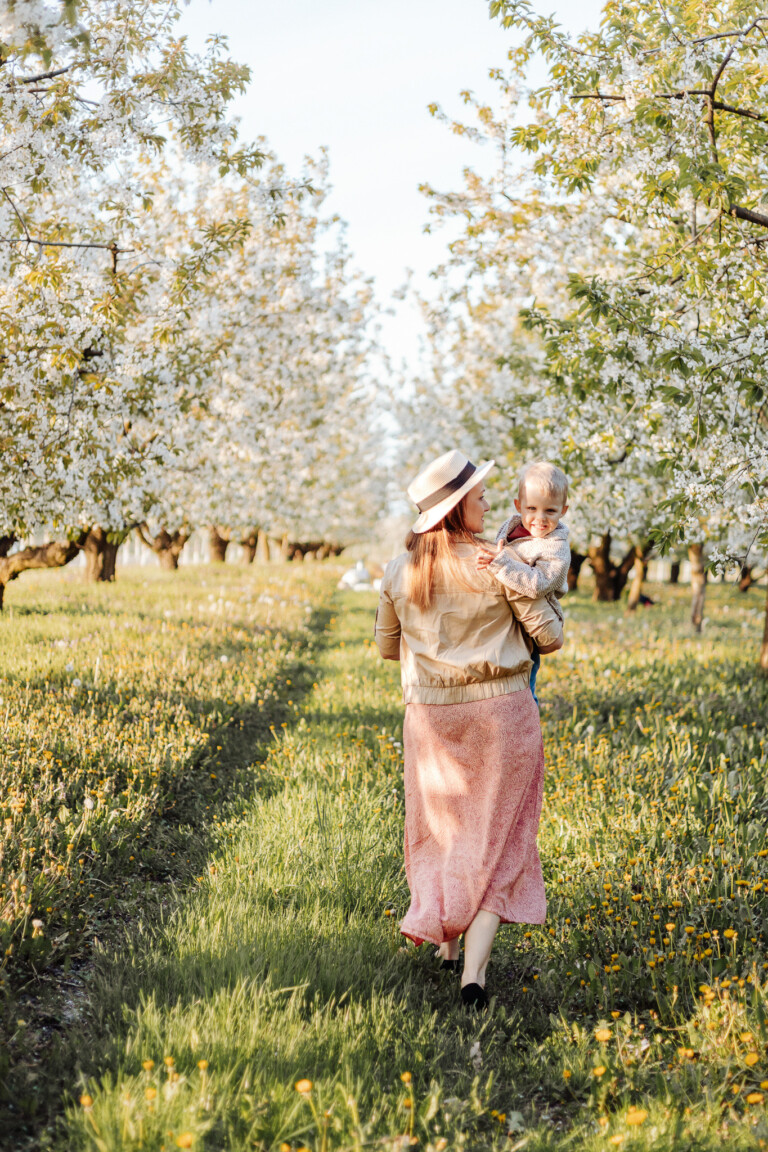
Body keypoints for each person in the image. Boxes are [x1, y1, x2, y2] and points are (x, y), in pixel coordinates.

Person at [374, 449, 564, 1009]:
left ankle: (446, 943)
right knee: (501, 837)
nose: (489, 503)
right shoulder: (497, 561)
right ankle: (472, 974)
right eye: (480, 497)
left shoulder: (399, 568)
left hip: (431, 717)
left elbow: (388, 646)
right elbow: (548, 637)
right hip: (502, 713)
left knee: (443, 827)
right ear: (458, 509)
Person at [476, 461, 570, 705]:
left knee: (524, 686)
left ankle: (529, 718)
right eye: (532, 508)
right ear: (519, 506)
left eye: (550, 511)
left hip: (533, 622)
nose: (540, 518)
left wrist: (501, 564)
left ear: (563, 510)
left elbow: (538, 583)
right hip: (508, 617)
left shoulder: (556, 547)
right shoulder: (512, 527)